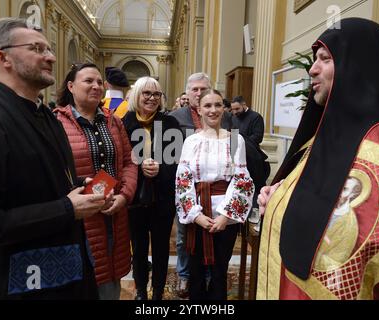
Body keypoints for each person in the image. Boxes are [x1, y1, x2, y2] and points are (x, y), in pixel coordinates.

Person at [256, 18, 379, 300]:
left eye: (325, 58)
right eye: (315, 59)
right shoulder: (332, 134)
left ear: (357, 64)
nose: (312, 69)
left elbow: (343, 252)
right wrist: (277, 196)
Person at [0, 17, 106, 299]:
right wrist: (67, 208)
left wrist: (80, 187)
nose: (50, 56)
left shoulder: (47, 118)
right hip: (25, 282)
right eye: (37, 49)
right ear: (3, 57)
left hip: (73, 272)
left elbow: (37, 182)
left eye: (48, 49)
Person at [55, 62, 138, 300]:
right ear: (71, 86)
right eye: (88, 81)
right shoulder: (56, 123)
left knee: (110, 280)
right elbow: (53, 171)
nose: (96, 86)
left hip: (114, 213)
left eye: (100, 82)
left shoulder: (114, 121)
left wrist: (124, 196)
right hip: (78, 218)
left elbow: (129, 163)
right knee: (80, 281)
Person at [175, 89, 254, 300]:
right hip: (197, 216)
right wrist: (195, 214)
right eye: (207, 106)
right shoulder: (191, 142)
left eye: (218, 105)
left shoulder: (236, 140)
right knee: (196, 272)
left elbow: (242, 180)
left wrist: (225, 216)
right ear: (199, 110)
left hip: (224, 216)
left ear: (224, 108)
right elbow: (183, 180)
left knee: (220, 271)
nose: (213, 110)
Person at [122, 76, 180, 300]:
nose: (152, 98)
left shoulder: (170, 123)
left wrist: (159, 168)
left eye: (157, 94)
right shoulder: (124, 123)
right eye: (147, 93)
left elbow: (176, 162)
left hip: (163, 198)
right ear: (137, 95)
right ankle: (139, 290)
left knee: (161, 248)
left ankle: (157, 291)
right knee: (138, 247)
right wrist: (139, 169)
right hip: (135, 198)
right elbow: (120, 162)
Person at [231, 95, 270, 205]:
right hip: (237, 157)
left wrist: (242, 142)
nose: (234, 112)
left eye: (237, 109)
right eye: (232, 109)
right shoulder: (233, 117)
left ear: (244, 105)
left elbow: (258, 137)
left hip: (253, 157)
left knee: (256, 189)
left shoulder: (256, 117)